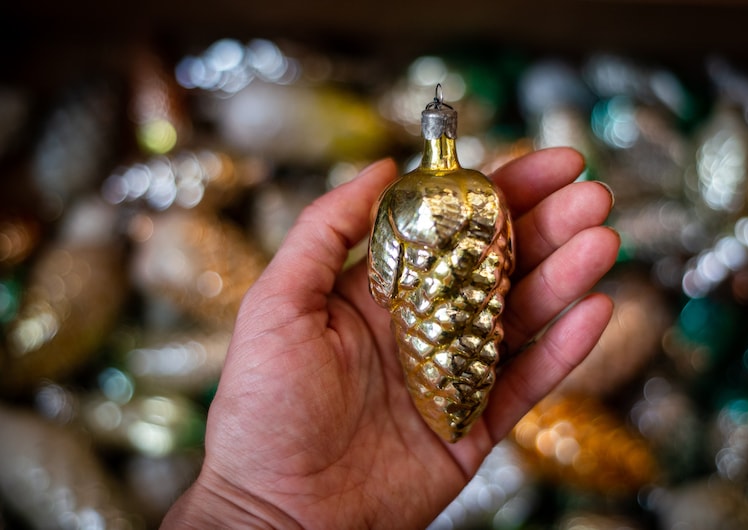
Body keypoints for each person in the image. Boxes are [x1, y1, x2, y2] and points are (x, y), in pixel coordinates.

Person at [161, 147, 619, 529]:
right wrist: (254, 504)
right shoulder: (444, 197)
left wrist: (255, 507)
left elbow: (384, 286)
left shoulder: (443, 197)